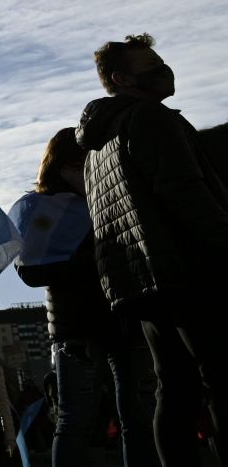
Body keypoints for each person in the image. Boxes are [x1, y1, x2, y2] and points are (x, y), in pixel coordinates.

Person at [80, 33, 228, 467]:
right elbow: (186, 195)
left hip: (141, 282)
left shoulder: (95, 148)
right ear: (122, 78)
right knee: (220, 379)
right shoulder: (150, 118)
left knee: (174, 388)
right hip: (188, 270)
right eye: (152, 63)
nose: (164, 69)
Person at [14, 126, 153, 467]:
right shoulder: (39, 208)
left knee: (136, 414)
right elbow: (30, 271)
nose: (85, 168)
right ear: (59, 164)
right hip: (74, 325)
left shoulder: (110, 198)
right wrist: (88, 262)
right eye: (77, 162)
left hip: (123, 317)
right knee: (76, 418)